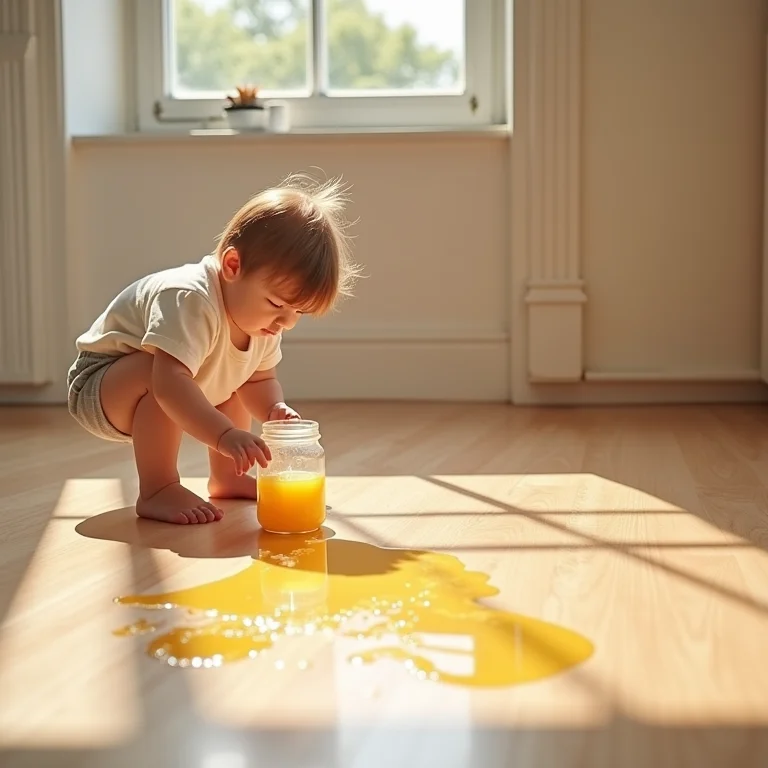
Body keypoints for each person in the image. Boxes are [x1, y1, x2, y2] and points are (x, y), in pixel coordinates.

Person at [66, 174, 359, 525]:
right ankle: (158, 488)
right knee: (157, 372)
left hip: (163, 381)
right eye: (278, 303)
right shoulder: (190, 298)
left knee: (231, 377)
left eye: (299, 312)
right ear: (233, 266)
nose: (287, 322)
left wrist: (273, 407)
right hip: (99, 388)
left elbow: (258, 380)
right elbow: (169, 383)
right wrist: (223, 435)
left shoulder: (263, 320)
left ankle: (228, 478)